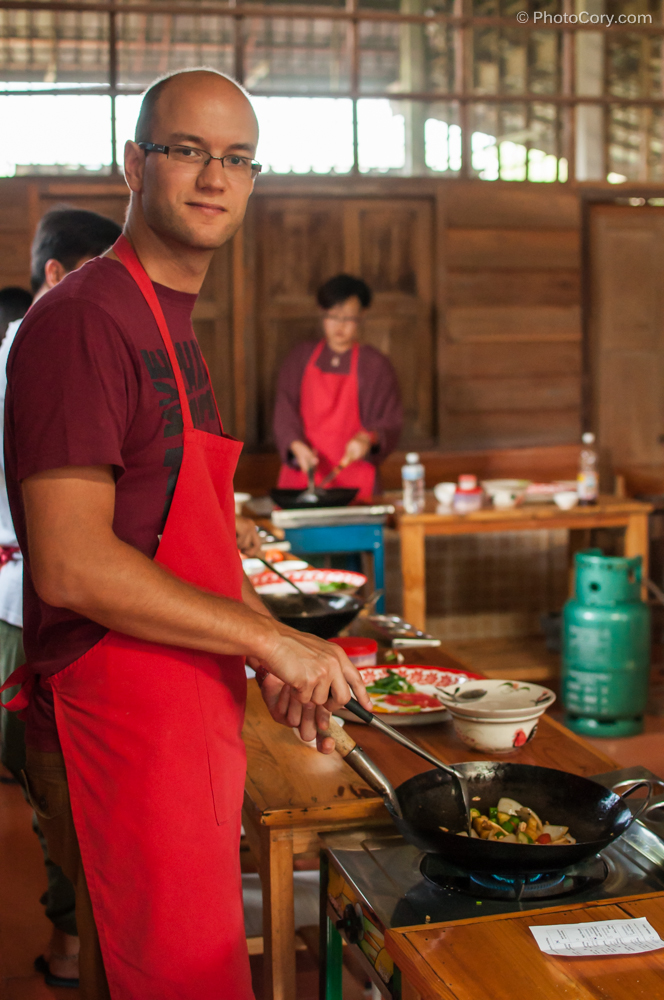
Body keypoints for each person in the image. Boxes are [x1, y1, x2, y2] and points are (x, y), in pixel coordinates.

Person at [1, 67, 368, 1000]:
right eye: (188, 151)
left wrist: (271, 655)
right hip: (115, 721)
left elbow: (183, 538)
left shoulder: (170, 323)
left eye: (237, 158)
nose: (215, 176)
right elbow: (75, 564)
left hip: (182, 707)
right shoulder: (83, 320)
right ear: (134, 163)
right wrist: (266, 636)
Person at [0, 207, 122, 990]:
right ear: (55, 275)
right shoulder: (29, 358)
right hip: (20, 605)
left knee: (62, 780)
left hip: (47, 596)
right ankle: (75, 937)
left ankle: (76, 937)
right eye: (97, 276)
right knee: (49, 780)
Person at [274, 273, 403, 501]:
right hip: (304, 476)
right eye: (332, 316)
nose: (340, 326)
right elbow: (284, 411)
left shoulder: (375, 366)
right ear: (322, 314)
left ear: (362, 315)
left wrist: (367, 439)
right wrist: (295, 445)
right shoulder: (300, 358)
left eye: (348, 318)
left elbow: (390, 422)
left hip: (356, 479)